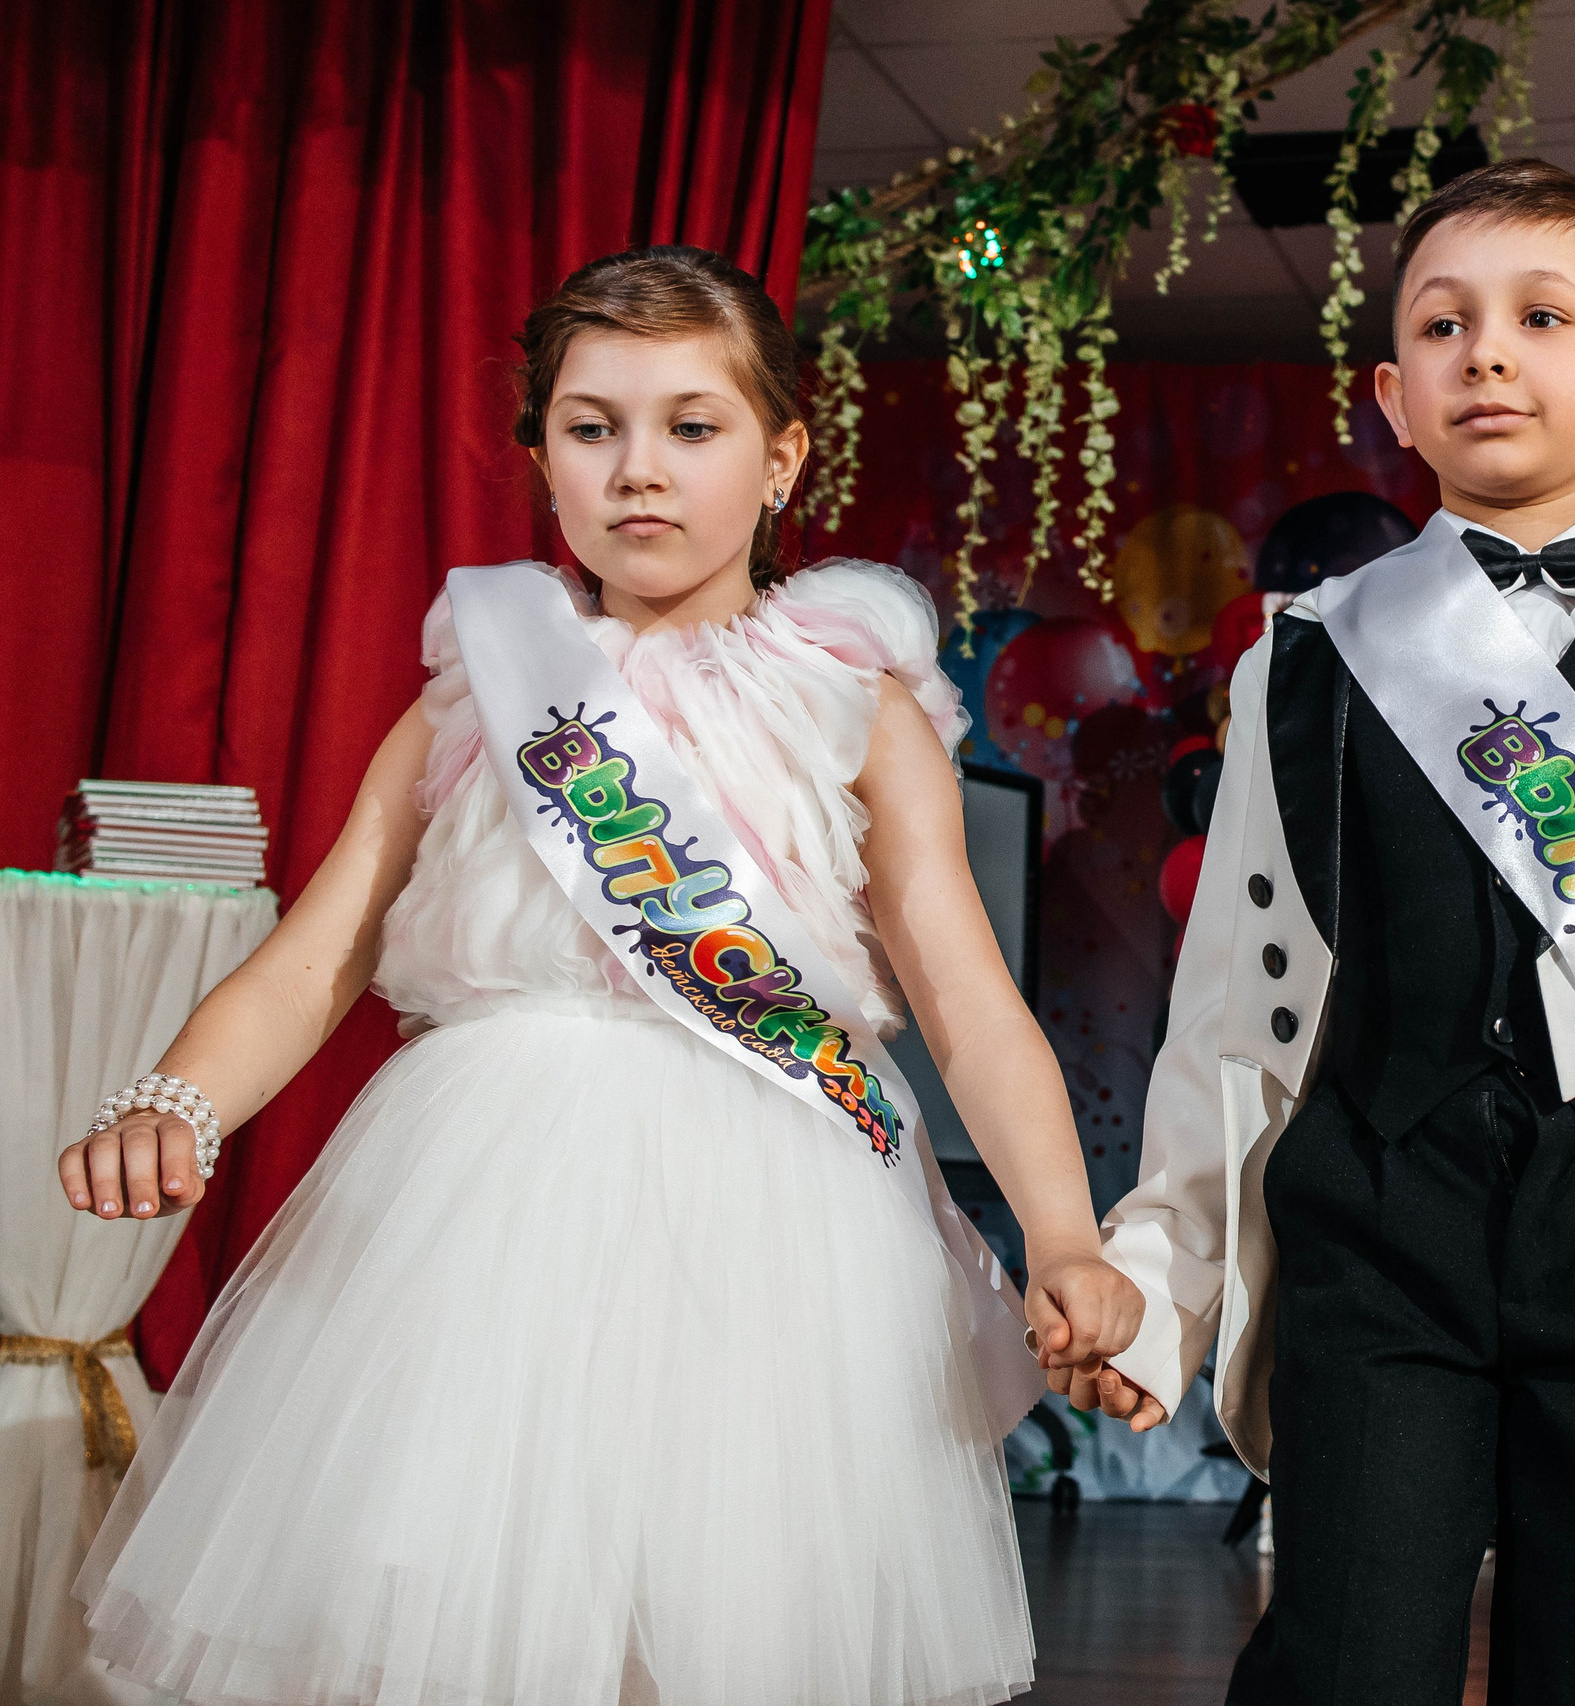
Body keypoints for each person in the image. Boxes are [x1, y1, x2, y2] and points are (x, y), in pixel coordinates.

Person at [58, 245, 1134, 1706]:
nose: (641, 469)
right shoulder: (474, 698)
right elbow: (312, 960)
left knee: (719, 1625)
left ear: (781, 456)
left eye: (693, 426)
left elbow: (968, 1002)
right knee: (466, 1625)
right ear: (541, 458)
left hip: (777, 1230)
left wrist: (1067, 1238)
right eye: (591, 427)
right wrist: (177, 1097)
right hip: (479, 1218)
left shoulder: (854, 707)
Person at [1059, 161, 1575, 1705]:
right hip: (1379, 1218)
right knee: (1347, 1657)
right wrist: (1166, 1281)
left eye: (1540, 316)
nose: (1489, 352)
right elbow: (1234, 1014)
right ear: (1392, 390)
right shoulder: (1302, 658)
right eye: (1443, 325)